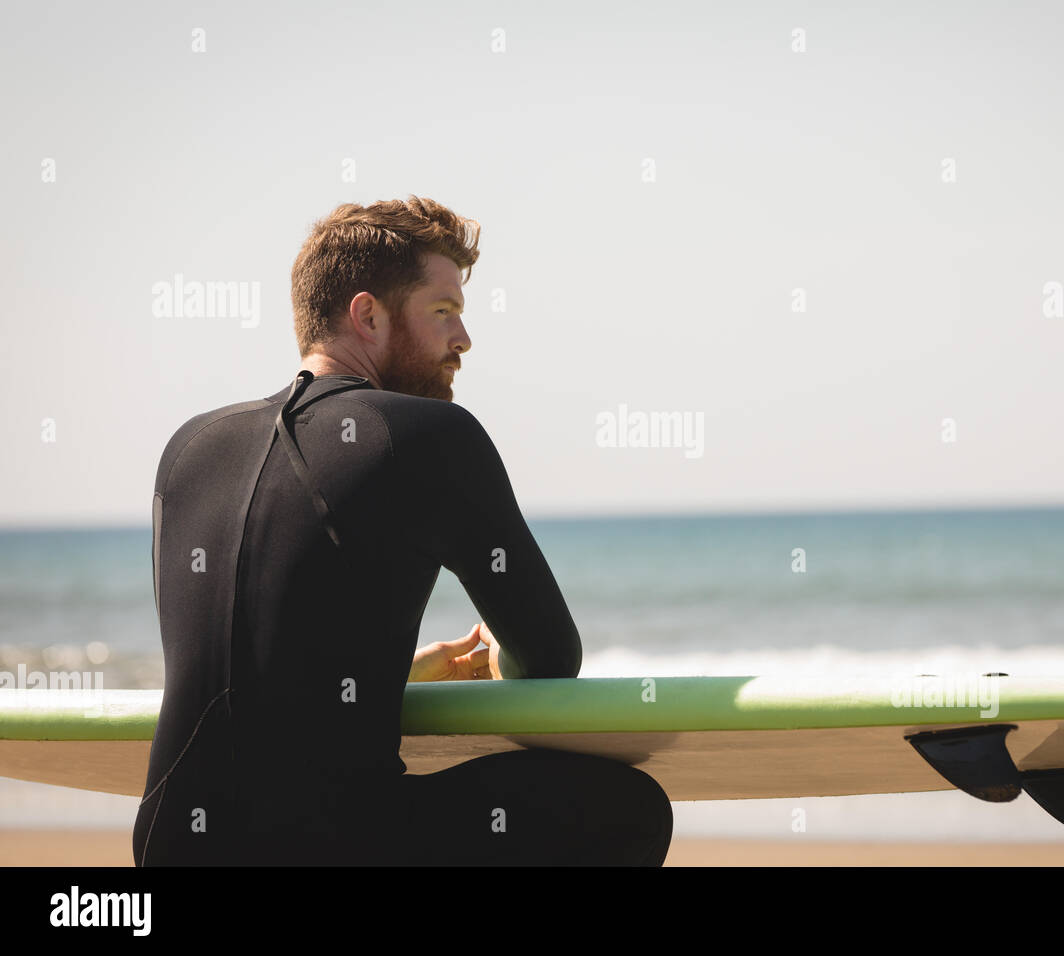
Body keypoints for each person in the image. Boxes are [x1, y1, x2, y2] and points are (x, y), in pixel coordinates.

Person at [132, 196, 673, 865]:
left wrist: (405, 672)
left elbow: (241, 663)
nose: (464, 339)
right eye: (443, 311)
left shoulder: (189, 448)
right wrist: (499, 663)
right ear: (368, 315)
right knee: (627, 810)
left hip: (169, 845)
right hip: (334, 849)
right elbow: (550, 657)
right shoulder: (430, 437)